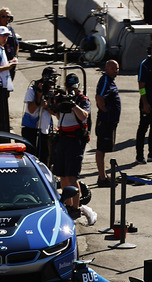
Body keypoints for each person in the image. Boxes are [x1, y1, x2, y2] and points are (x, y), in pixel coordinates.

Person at [52, 73, 91, 221]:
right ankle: (67, 205)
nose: (71, 90)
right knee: (62, 175)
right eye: (69, 87)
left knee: (72, 176)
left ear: (78, 86)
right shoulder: (62, 99)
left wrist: (73, 105)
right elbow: (57, 114)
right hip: (62, 138)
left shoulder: (82, 100)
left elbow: (84, 116)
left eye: (73, 87)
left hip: (75, 141)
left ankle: (75, 208)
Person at [22, 66, 57, 165]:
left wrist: (46, 106)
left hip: (45, 129)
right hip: (31, 128)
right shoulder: (32, 90)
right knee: (30, 157)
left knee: (45, 157)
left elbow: (55, 112)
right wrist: (38, 96)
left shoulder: (52, 91)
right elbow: (31, 110)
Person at [95, 60, 121, 188]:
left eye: (117, 68)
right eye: (113, 68)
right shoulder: (105, 80)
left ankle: (103, 175)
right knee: (101, 149)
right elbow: (99, 97)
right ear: (106, 68)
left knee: (104, 149)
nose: (115, 70)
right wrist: (105, 111)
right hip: (105, 121)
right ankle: (102, 177)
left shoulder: (110, 81)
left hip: (110, 122)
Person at [0, 25, 17, 132]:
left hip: (3, 85)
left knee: (4, 114)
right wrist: (9, 66)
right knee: (2, 115)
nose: (5, 38)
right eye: (3, 36)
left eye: (7, 36)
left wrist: (9, 63)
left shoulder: (1, 48)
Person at [0, 7, 19, 80]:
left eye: (8, 17)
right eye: (3, 16)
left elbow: (17, 44)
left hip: (11, 63)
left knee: (8, 87)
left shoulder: (10, 29)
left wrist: (15, 57)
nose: (6, 19)